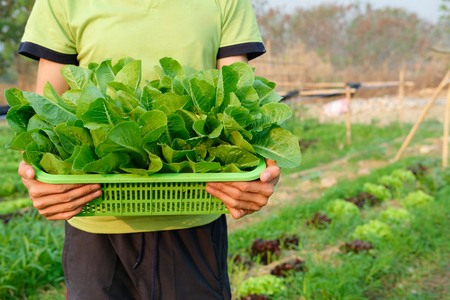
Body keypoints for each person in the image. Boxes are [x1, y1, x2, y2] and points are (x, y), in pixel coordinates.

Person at [17, 0, 281, 299]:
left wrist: (260, 167)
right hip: (94, 217)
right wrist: (34, 170)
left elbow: (239, 98)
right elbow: (47, 109)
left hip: (193, 214)